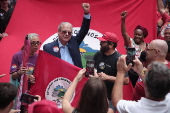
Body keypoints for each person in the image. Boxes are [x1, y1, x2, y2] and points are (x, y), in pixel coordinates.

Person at [43, 3, 91, 68]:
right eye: (64, 32)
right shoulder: (48, 48)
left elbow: (84, 30)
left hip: (75, 76)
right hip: (59, 77)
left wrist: (86, 13)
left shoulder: (75, 42)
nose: (67, 34)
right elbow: (44, 66)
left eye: (69, 32)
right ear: (58, 32)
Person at [93, 32, 129, 111]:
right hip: (96, 95)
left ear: (111, 45)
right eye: (101, 41)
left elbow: (126, 80)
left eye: (103, 42)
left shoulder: (119, 59)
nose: (100, 43)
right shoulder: (98, 54)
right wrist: (95, 75)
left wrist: (107, 77)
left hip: (110, 99)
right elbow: (93, 69)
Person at [10, 33, 41, 112]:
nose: (36, 45)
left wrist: (33, 79)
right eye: (33, 43)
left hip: (30, 91)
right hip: (18, 90)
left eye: (38, 42)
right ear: (27, 43)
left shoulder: (38, 57)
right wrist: (19, 72)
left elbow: (38, 77)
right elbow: (13, 76)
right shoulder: (17, 56)